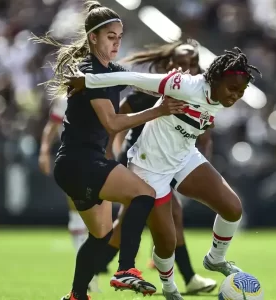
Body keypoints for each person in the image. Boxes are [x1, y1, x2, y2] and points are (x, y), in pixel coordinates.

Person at [65, 46, 261, 299]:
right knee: (167, 242)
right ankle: (169, 287)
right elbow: (133, 78)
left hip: (183, 157)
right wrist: (88, 80)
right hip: (149, 167)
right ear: (215, 79)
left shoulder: (219, 96)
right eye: (232, 89)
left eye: (241, 92)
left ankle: (215, 259)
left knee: (233, 208)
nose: (235, 96)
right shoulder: (183, 84)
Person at [32, 1, 186, 300]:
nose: (117, 42)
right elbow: (113, 123)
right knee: (144, 195)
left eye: (119, 36)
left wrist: (172, 82)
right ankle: (125, 269)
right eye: (110, 36)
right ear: (93, 38)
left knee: (100, 236)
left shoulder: (110, 71)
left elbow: (141, 82)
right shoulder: (90, 72)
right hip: (82, 162)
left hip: (76, 166)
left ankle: (77, 295)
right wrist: (160, 110)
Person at [94, 40, 217, 294]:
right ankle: (189, 277)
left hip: (170, 166)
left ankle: (91, 269)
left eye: (192, 64)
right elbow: (115, 125)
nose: (187, 68)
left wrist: (196, 168)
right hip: (140, 164)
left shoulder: (197, 97)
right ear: (167, 65)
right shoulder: (143, 95)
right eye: (181, 63)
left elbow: (204, 138)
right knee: (171, 215)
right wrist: (112, 156)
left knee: (126, 225)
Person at [38, 96, 101, 293]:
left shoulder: (103, 91)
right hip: (74, 157)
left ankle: (99, 266)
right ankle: (87, 271)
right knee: (77, 211)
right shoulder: (65, 99)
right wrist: (44, 150)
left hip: (99, 155)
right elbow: (52, 125)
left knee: (98, 216)